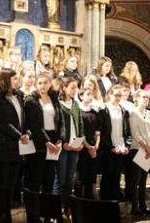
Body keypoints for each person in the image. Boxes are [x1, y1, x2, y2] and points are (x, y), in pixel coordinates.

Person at [0, 69, 30, 221]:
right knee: (2, 184)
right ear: (6, 80)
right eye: (15, 79)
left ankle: (7, 213)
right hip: (3, 147)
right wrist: (19, 135)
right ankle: (1, 215)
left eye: (18, 78)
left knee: (12, 184)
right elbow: (1, 122)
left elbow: (23, 120)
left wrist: (27, 134)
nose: (18, 81)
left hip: (18, 147)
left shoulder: (20, 96)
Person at [24, 73, 64, 194]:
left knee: (49, 178)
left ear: (50, 84)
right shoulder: (31, 100)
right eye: (40, 83)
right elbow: (34, 125)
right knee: (36, 179)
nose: (42, 86)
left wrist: (60, 140)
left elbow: (61, 122)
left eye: (45, 83)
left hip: (54, 139)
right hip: (39, 142)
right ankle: (34, 210)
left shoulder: (54, 98)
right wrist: (47, 142)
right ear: (36, 85)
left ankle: (47, 210)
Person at [99, 85, 132, 201]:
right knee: (108, 174)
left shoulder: (123, 110)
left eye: (120, 95)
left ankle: (116, 197)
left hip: (120, 147)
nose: (118, 97)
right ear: (109, 94)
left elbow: (127, 130)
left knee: (117, 174)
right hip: (108, 148)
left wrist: (127, 146)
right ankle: (106, 199)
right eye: (115, 95)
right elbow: (101, 132)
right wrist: (110, 147)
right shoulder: (103, 110)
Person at [57, 77, 84, 217]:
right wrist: (63, 142)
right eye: (72, 87)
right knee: (61, 179)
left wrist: (80, 142)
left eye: (76, 88)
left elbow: (79, 125)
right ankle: (58, 207)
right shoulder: (59, 104)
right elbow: (58, 126)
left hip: (75, 146)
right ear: (64, 88)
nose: (75, 91)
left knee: (70, 179)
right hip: (63, 147)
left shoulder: (75, 104)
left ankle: (67, 207)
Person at [129, 90, 150, 215]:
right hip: (138, 149)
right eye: (143, 97)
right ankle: (135, 206)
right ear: (137, 98)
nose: (146, 99)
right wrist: (146, 147)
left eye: (147, 97)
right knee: (136, 179)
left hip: (148, 150)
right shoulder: (134, 113)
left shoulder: (149, 113)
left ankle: (143, 205)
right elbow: (135, 133)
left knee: (144, 180)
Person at [75, 88, 101, 199]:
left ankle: (89, 199)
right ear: (81, 96)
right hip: (82, 147)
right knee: (82, 175)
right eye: (88, 94)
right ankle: (78, 200)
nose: (90, 96)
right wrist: (88, 146)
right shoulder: (78, 111)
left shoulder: (94, 112)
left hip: (93, 148)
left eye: (92, 94)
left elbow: (97, 132)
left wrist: (96, 147)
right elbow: (79, 132)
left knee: (91, 175)